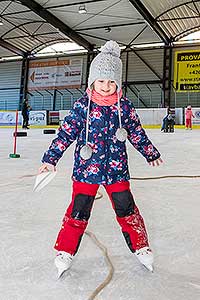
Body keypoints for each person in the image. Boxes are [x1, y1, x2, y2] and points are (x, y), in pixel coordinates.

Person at [39, 40, 163, 277]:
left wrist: (150, 153)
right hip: (86, 170)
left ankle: (141, 246)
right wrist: (50, 159)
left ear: (118, 82)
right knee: (78, 211)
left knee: (127, 209)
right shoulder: (81, 107)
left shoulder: (124, 107)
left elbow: (136, 132)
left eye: (111, 81)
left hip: (117, 171)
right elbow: (65, 133)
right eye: (101, 80)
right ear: (92, 81)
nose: (106, 86)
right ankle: (65, 250)